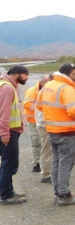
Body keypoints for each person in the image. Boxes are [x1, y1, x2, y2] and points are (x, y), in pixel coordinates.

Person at [36, 63, 75, 206]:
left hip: (52, 131)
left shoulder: (48, 86)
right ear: (66, 74)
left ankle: (58, 192)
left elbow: (39, 105)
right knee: (66, 163)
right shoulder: (66, 88)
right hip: (67, 133)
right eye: (74, 74)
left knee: (56, 162)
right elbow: (74, 111)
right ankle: (63, 195)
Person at [0, 65, 29, 205]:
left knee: (7, 162)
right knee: (9, 163)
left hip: (11, 130)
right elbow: (4, 112)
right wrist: (4, 133)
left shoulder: (10, 86)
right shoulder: (7, 88)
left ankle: (6, 190)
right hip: (9, 131)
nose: (27, 78)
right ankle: (6, 195)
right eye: (25, 75)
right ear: (17, 74)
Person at [23, 74, 50, 174]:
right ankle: (36, 164)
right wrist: (40, 110)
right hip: (34, 121)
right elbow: (27, 104)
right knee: (36, 142)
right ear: (42, 82)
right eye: (47, 82)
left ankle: (44, 163)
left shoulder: (47, 90)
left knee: (45, 143)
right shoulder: (32, 91)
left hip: (44, 121)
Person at [35, 74, 54, 184]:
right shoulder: (46, 92)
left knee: (48, 149)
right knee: (46, 149)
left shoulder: (46, 91)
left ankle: (48, 172)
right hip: (45, 125)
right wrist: (42, 123)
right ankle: (45, 174)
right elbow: (42, 110)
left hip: (46, 124)